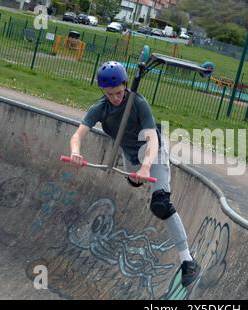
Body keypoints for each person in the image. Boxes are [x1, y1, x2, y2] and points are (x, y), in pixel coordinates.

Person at [68, 61, 200, 287]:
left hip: (151, 151)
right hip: (130, 157)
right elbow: (78, 135)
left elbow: (152, 139)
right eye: (110, 95)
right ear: (103, 91)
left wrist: (147, 166)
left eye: (119, 93)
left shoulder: (138, 103)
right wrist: (75, 152)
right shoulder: (99, 108)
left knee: (160, 205)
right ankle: (140, 174)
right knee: (135, 183)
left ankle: (188, 260)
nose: (116, 99)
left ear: (126, 85)